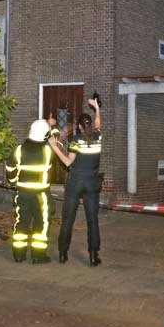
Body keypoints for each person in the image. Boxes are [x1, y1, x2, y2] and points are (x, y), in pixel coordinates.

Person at [48, 97, 103, 266]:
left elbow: (67, 162)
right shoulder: (98, 137)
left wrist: (54, 146)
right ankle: (93, 256)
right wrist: (97, 109)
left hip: (76, 182)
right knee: (92, 220)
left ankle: (63, 254)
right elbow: (98, 124)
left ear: (79, 126)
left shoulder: (76, 141)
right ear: (90, 125)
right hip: (93, 183)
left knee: (68, 219)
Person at [5, 119, 55, 264]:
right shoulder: (48, 151)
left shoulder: (18, 150)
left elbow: (9, 168)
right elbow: (55, 139)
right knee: (42, 223)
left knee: (21, 222)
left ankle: (19, 255)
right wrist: (52, 127)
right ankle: (38, 256)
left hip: (23, 193)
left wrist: (14, 182)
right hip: (41, 195)